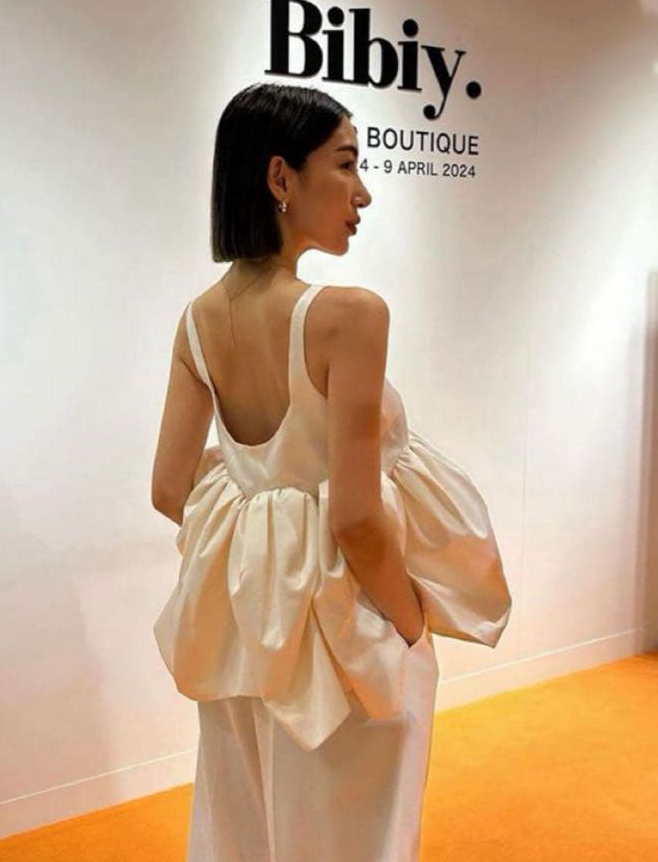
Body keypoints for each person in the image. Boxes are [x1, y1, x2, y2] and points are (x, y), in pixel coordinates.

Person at [152, 82, 512, 861]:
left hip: (248, 634)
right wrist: (411, 625)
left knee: (250, 827)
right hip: (348, 633)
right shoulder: (350, 315)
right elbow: (354, 516)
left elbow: (169, 490)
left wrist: (261, 538)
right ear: (281, 177)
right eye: (346, 164)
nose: (364, 193)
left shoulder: (197, 322)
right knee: (353, 836)